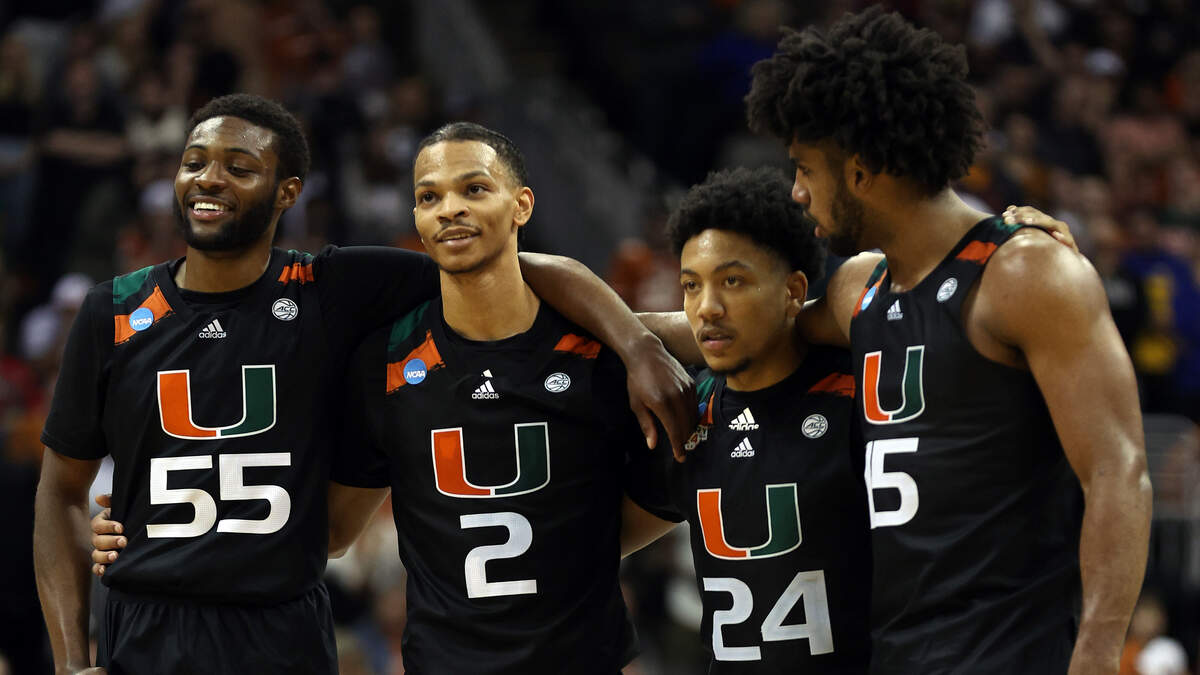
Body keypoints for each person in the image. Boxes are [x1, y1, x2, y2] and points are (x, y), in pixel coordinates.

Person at [34, 95, 694, 675]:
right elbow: (60, 492)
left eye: (240, 166)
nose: (209, 178)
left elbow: (514, 275)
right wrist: (69, 660)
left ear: (288, 192)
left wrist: (638, 342)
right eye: (194, 161)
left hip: (281, 626)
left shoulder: (332, 289)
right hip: (146, 624)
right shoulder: (111, 311)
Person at [740, 7, 1151, 675]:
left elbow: (1117, 469)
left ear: (861, 171)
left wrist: (1098, 656)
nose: (796, 192)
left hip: (1011, 655)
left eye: (806, 169)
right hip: (895, 653)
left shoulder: (1026, 273)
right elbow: (739, 336)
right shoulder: (858, 289)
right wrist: (613, 325)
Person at [327, 122, 680, 673]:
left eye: (474, 189)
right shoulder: (383, 362)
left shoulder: (598, 351)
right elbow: (333, 531)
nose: (449, 209)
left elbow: (660, 497)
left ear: (522, 206)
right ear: (416, 219)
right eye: (429, 197)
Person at [621, 167, 871, 673]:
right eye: (691, 286)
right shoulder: (687, 411)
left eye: (732, 281)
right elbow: (589, 543)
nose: (707, 308)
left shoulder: (858, 393)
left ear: (794, 290)